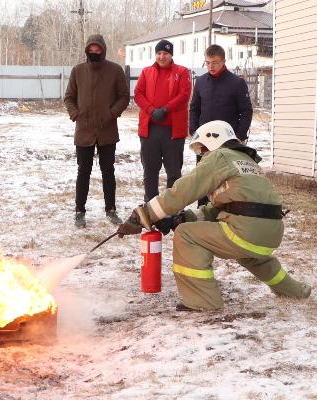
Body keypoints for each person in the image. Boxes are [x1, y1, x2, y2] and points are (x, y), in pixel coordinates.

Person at [117, 120, 311, 311]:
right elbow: (227, 208)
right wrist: (182, 218)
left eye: (202, 148)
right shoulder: (246, 162)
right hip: (270, 234)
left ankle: (203, 300)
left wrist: (143, 215)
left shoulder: (219, 157)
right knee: (251, 255)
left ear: (213, 139)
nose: (202, 155)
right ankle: (294, 291)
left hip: (246, 229)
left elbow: (182, 191)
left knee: (186, 234)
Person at [64, 34, 130, 227]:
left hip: (107, 131)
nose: (94, 52)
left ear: (103, 49)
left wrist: (112, 114)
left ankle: (111, 209)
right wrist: (75, 114)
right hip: (84, 131)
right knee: (83, 171)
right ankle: (79, 211)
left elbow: (124, 97)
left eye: (97, 49)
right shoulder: (78, 71)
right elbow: (68, 97)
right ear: (87, 50)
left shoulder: (115, 70)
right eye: (91, 50)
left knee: (108, 171)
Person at [190, 44, 253, 206]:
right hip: (204, 141)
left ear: (224, 61)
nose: (211, 66)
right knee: (202, 178)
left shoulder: (236, 83)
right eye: (208, 62)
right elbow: (194, 108)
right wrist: (194, 130)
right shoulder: (201, 82)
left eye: (215, 62)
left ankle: (224, 212)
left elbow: (246, 111)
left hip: (228, 142)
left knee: (225, 180)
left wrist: (239, 136)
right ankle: (201, 211)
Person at [134, 39, 192, 203]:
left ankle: (171, 207)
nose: (161, 56)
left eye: (165, 53)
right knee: (150, 170)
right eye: (159, 53)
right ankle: (150, 205)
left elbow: (184, 95)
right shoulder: (147, 72)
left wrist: (166, 109)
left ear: (171, 55)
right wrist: (152, 110)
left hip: (173, 131)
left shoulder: (182, 72)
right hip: (150, 130)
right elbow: (138, 94)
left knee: (173, 172)